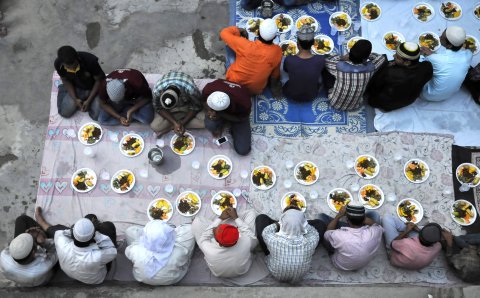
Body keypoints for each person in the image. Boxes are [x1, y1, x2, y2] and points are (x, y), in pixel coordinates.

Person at [255, 206, 325, 283]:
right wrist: (299, 223)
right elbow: (313, 231)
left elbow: (266, 231)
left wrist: (281, 224)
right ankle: (293, 224)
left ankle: (288, 224)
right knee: (320, 224)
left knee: (261, 218)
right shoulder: (312, 240)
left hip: (277, 274)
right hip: (300, 275)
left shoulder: (273, 240)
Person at [0, 207, 66, 287]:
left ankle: (31, 236)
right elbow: (57, 248)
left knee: (21, 220)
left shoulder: (3, 256)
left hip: (25, 269)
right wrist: (44, 241)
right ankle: (43, 224)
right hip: (44, 276)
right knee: (60, 235)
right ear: (34, 252)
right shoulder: (42, 265)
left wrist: (26, 238)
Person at [220, 19, 282, 95]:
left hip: (233, 84)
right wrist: (275, 88)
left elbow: (223, 33)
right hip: (254, 91)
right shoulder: (277, 51)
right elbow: (275, 75)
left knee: (229, 47)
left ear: (258, 32)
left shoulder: (245, 45)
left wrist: (239, 30)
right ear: (275, 36)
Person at [191, 207, 257, 278]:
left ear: (218, 243)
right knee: (251, 213)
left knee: (196, 221)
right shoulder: (247, 242)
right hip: (242, 271)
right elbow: (252, 236)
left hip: (218, 274)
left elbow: (204, 236)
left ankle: (226, 221)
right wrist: (236, 218)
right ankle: (231, 220)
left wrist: (220, 218)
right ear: (238, 235)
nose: (215, 228)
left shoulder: (208, 248)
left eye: (216, 231)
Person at [366, 42, 433, 111]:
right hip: (408, 101)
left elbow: (373, 87)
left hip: (387, 104)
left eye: (397, 57)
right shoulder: (427, 67)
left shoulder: (390, 72)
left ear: (407, 63)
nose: (393, 56)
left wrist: (385, 66)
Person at [124, 220, 195, 286]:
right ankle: (164, 234)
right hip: (172, 279)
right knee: (190, 229)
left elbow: (129, 253)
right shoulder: (178, 252)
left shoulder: (135, 250)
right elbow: (183, 259)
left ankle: (153, 236)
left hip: (141, 278)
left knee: (130, 231)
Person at [325, 39, 386, 111]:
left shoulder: (339, 66)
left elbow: (327, 61)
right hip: (355, 106)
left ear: (350, 53)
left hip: (334, 102)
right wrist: (366, 56)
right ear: (366, 58)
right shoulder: (372, 67)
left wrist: (342, 58)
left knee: (326, 73)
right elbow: (382, 57)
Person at [318, 204, 383, 270]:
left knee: (321, 217)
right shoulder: (375, 231)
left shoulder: (339, 235)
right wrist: (360, 217)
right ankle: (356, 222)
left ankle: (331, 251)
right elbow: (377, 225)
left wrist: (338, 216)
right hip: (360, 262)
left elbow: (326, 234)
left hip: (341, 264)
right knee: (375, 215)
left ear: (347, 219)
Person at [54, 216, 117, 284]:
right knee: (108, 225)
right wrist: (96, 233)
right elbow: (112, 251)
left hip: (72, 275)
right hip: (95, 280)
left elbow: (59, 232)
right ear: (93, 236)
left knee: (89, 217)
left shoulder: (61, 242)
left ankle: (84, 229)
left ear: (73, 234)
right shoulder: (97, 256)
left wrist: (78, 232)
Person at [420, 26, 473, 101]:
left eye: (442, 37)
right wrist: (433, 55)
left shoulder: (436, 59)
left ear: (449, 45)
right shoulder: (469, 54)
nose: (439, 36)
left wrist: (422, 55)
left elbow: (421, 65)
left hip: (427, 94)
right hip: (448, 96)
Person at [202, 79, 251, 155]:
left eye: (216, 110)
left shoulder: (243, 103)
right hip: (222, 113)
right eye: (212, 108)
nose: (212, 113)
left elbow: (240, 119)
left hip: (237, 116)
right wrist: (209, 111)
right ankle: (220, 122)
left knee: (243, 150)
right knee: (210, 125)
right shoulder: (209, 89)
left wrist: (221, 115)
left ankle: (233, 130)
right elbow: (203, 102)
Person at [54, 45, 105, 119]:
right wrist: (75, 99)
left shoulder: (90, 61)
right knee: (65, 113)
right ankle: (65, 92)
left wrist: (89, 100)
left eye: (74, 65)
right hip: (76, 88)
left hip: (93, 88)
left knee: (97, 116)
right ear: (62, 63)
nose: (72, 68)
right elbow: (65, 80)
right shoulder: (58, 64)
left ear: (77, 58)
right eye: (68, 67)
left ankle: (87, 102)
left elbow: (99, 81)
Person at [150, 71, 205, 137]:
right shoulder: (157, 90)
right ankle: (177, 122)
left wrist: (181, 123)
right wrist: (174, 122)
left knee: (205, 122)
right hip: (170, 111)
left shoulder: (190, 89)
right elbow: (158, 107)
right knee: (155, 126)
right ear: (162, 93)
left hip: (186, 105)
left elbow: (196, 106)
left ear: (180, 96)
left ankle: (174, 125)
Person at [281, 24, 325, 102]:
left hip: (291, 94)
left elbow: (286, 70)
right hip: (312, 95)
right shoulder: (320, 59)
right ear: (313, 43)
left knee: (281, 63)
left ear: (298, 44)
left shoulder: (289, 59)